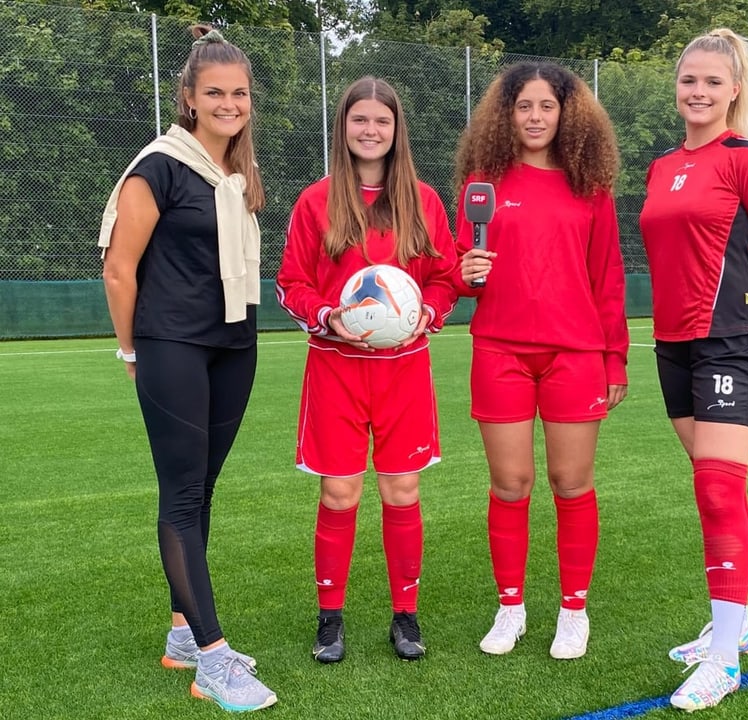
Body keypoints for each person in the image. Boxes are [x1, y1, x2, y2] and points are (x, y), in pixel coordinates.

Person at [99, 25, 276, 713]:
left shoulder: (239, 174)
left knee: (201, 491)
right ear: (189, 98)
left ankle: (181, 636)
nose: (230, 104)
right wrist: (131, 350)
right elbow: (119, 268)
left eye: (240, 93)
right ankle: (212, 658)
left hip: (234, 343)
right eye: (216, 93)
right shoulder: (159, 165)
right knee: (179, 495)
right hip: (171, 343)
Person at [638, 28, 748, 711]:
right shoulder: (660, 168)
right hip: (674, 344)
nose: (699, 92)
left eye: (713, 81)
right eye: (689, 80)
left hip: (733, 341)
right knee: (713, 489)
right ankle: (734, 625)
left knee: (716, 488)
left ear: (735, 90)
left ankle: (723, 659)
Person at [276, 76, 458, 663]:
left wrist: (429, 311)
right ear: (344, 127)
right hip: (336, 367)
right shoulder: (316, 201)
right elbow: (291, 283)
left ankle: (405, 615)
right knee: (338, 493)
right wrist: (327, 315)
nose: (371, 130)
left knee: (402, 490)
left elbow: (445, 277)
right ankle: (330, 618)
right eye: (360, 120)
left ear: (396, 129)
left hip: (403, 369)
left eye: (382, 121)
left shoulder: (422, 200)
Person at [454, 61, 629, 660]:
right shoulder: (483, 184)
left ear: (566, 114)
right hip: (499, 349)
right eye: (523, 106)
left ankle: (573, 611)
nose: (534, 117)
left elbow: (608, 278)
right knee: (510, 484)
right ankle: (511, 608)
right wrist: (465, 273)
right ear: (507, 114)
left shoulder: (591, 189)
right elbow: (464, 273)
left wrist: (615, 361)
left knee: (570, 483)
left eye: (546, 107)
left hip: (576, 353)